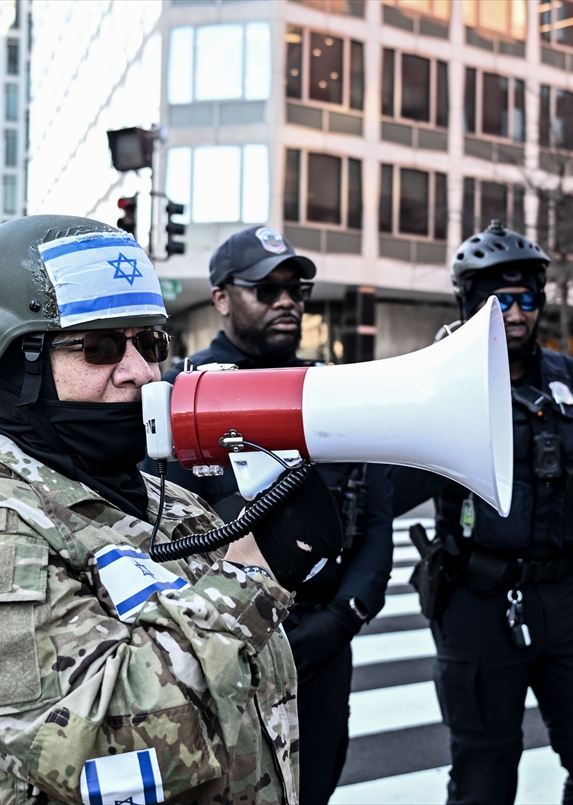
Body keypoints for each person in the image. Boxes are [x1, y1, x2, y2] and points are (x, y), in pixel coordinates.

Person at [0, 215, 344, 805]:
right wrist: (253, 574)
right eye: (101, 346)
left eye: (149, 343)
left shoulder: (167, 501)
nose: (141, 372)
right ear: (17, 364)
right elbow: (97, 754)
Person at [391, 220, 573, 805]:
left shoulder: (570, 377)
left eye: (526, 300)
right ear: (470, 304)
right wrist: (446, 394)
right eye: (498, 301)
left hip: (568, 596)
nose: (515, 314)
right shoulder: (440, 380)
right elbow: (392, 490)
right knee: (484, 775)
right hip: (477, 598)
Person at [148, 225, 394, 805]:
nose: (287, 301)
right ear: (220, 298)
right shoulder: (179, 395)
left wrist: (344, 617)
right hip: (221, 649)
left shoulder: (330, 389)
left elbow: (374, 516)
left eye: (296, 289)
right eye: (266, 289)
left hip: (322, 646)